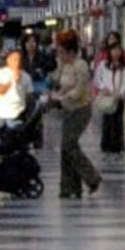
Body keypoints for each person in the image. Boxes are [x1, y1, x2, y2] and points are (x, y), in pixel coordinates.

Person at [49, 30, 101, 199]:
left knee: (69, 145)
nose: (60, 55)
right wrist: (56, 93)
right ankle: (69, 187)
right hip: (68, 109)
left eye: (62, 52)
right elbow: (62, 84)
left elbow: (79, 90)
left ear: (71, 52)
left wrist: (63, 97)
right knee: (66, 148)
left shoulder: (81, 66)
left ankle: (92, 177)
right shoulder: (65, 66)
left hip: (80, 109)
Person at [94, 40, 125, 154]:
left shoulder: (123, 67)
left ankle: (117, 145)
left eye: (119, 50)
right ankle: (106, 144)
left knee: (118, 121)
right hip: (106, 96)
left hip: (118, 97)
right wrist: (103, 88)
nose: (116, 52)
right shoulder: (103, 65)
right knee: (107, 120)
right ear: (110, 51)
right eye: (114, 50)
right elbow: (97, 79)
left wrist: (121, 93)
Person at [0, 50, 33, 129]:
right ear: (8, 60)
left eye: (19, 60)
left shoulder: (26, 77)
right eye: (14, 59)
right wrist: (11, 82)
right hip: (4, 115)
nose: (17, 62)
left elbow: (29, 97)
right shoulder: (0, 73)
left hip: (20, 115)